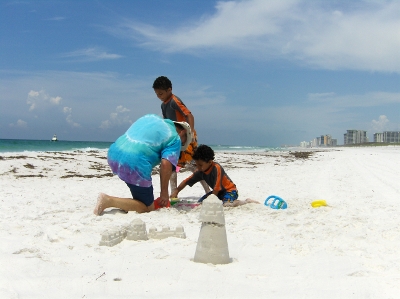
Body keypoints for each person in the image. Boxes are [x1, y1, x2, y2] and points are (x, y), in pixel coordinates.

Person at [93, 114, 192, 215]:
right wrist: (164, 193)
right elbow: (166, 164)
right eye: (183, 143)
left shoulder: (151, 118)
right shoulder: (176, 138)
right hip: (134, 163)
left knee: (140, 197)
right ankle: (108, 200)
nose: (180, 147)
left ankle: (127, 204)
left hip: (114, 154)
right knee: (147, 207)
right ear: (182, 132)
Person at [152, 76, 210, 194]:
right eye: (157, 94)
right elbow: (167, 122)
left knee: (193, 165)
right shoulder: (163, 105)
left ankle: (208, 191)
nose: (159, 97)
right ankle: (173, 193)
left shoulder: (174, 101)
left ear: (169, 90)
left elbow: (189, 115)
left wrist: (190, 134)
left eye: (161, 93)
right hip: (176, 138)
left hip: (187, 137)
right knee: (172, 164)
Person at [170, 145, 259, 207]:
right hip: (219, 193)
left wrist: (211, 200)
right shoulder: (200, 171)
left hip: (230, 190)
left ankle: (246, 202)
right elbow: (186, 181)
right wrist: (176, 191)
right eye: (196, 165)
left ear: (209, 162)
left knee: (227, 205)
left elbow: (216, 188)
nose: (198, 167)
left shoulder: (216, 168)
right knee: (200, 202)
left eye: (200, 165)